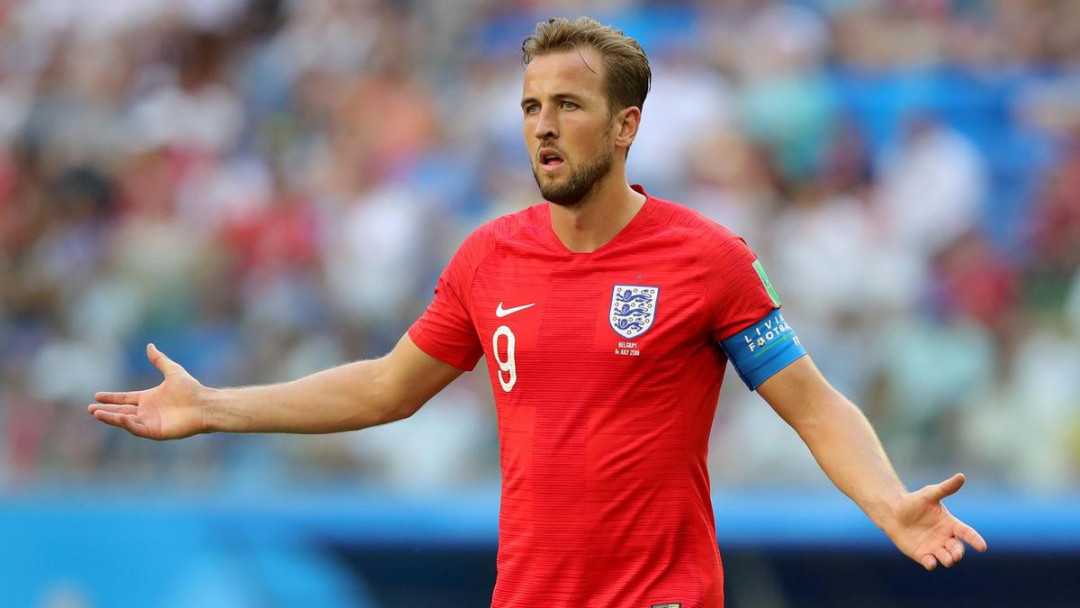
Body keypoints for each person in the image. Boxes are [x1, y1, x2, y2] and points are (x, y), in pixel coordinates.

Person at [88, 16, 987, 608]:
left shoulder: (708, 258)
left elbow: (814, 404)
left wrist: (888, 502)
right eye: (529, 107)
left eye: (567, 105)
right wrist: (214, 407)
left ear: (626, 126)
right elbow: (384, 389)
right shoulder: (488, 257)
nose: (543, 126)